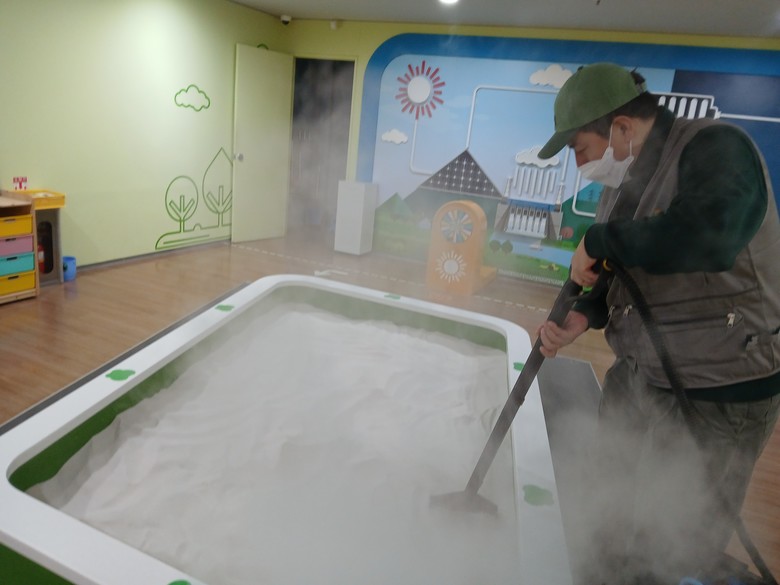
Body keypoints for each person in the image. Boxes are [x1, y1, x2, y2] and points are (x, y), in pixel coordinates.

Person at [536, 62, 780, 585]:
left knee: (673, 537)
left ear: (622, 127)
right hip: (642, 369)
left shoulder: (716, 148)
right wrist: (586, 313)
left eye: (580, 148)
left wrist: (599, 240)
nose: (579, 164)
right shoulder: (625, 180)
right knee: (610, 497)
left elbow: (708, 237)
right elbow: (625, 271)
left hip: (718, 386)